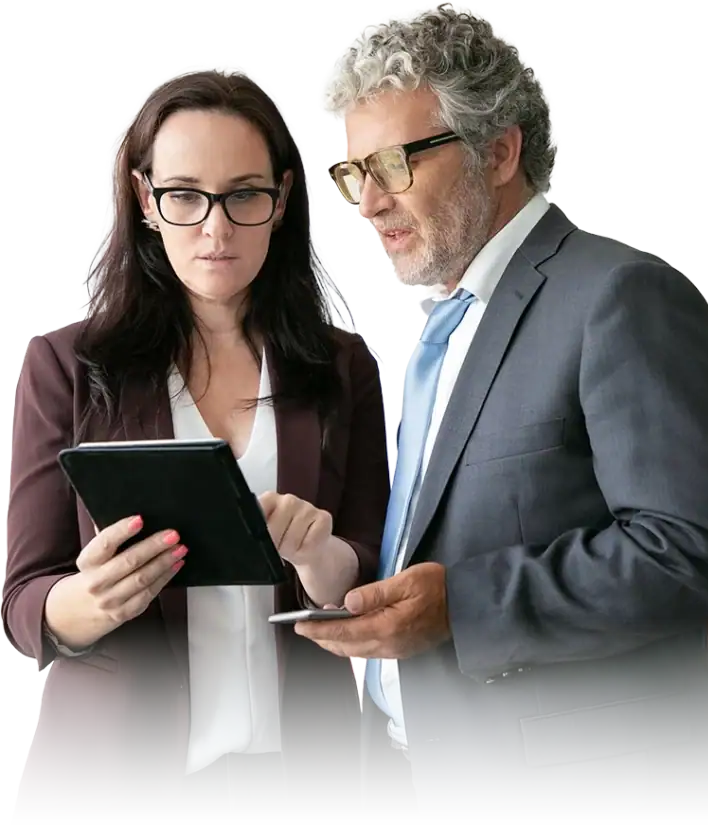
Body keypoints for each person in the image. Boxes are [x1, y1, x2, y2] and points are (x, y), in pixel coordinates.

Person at [297, 5, 708, 825]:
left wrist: (463, 605)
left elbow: (706, 551)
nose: (367, 201)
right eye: (352, 172)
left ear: (500, 150)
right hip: (424, 784)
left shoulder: (621, 296)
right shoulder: (444, 329)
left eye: (394, 164)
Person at [2, 69, 390, 825]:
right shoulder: (68, 367)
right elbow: (23, 602)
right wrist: (86, 602)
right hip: (118, 781)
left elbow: (371, 566)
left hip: (305, 777)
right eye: (185, 196)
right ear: (145, 200)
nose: (216, 230)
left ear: (282, 199)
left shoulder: (341, 367)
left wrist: (321, 559)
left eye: (244, 195)